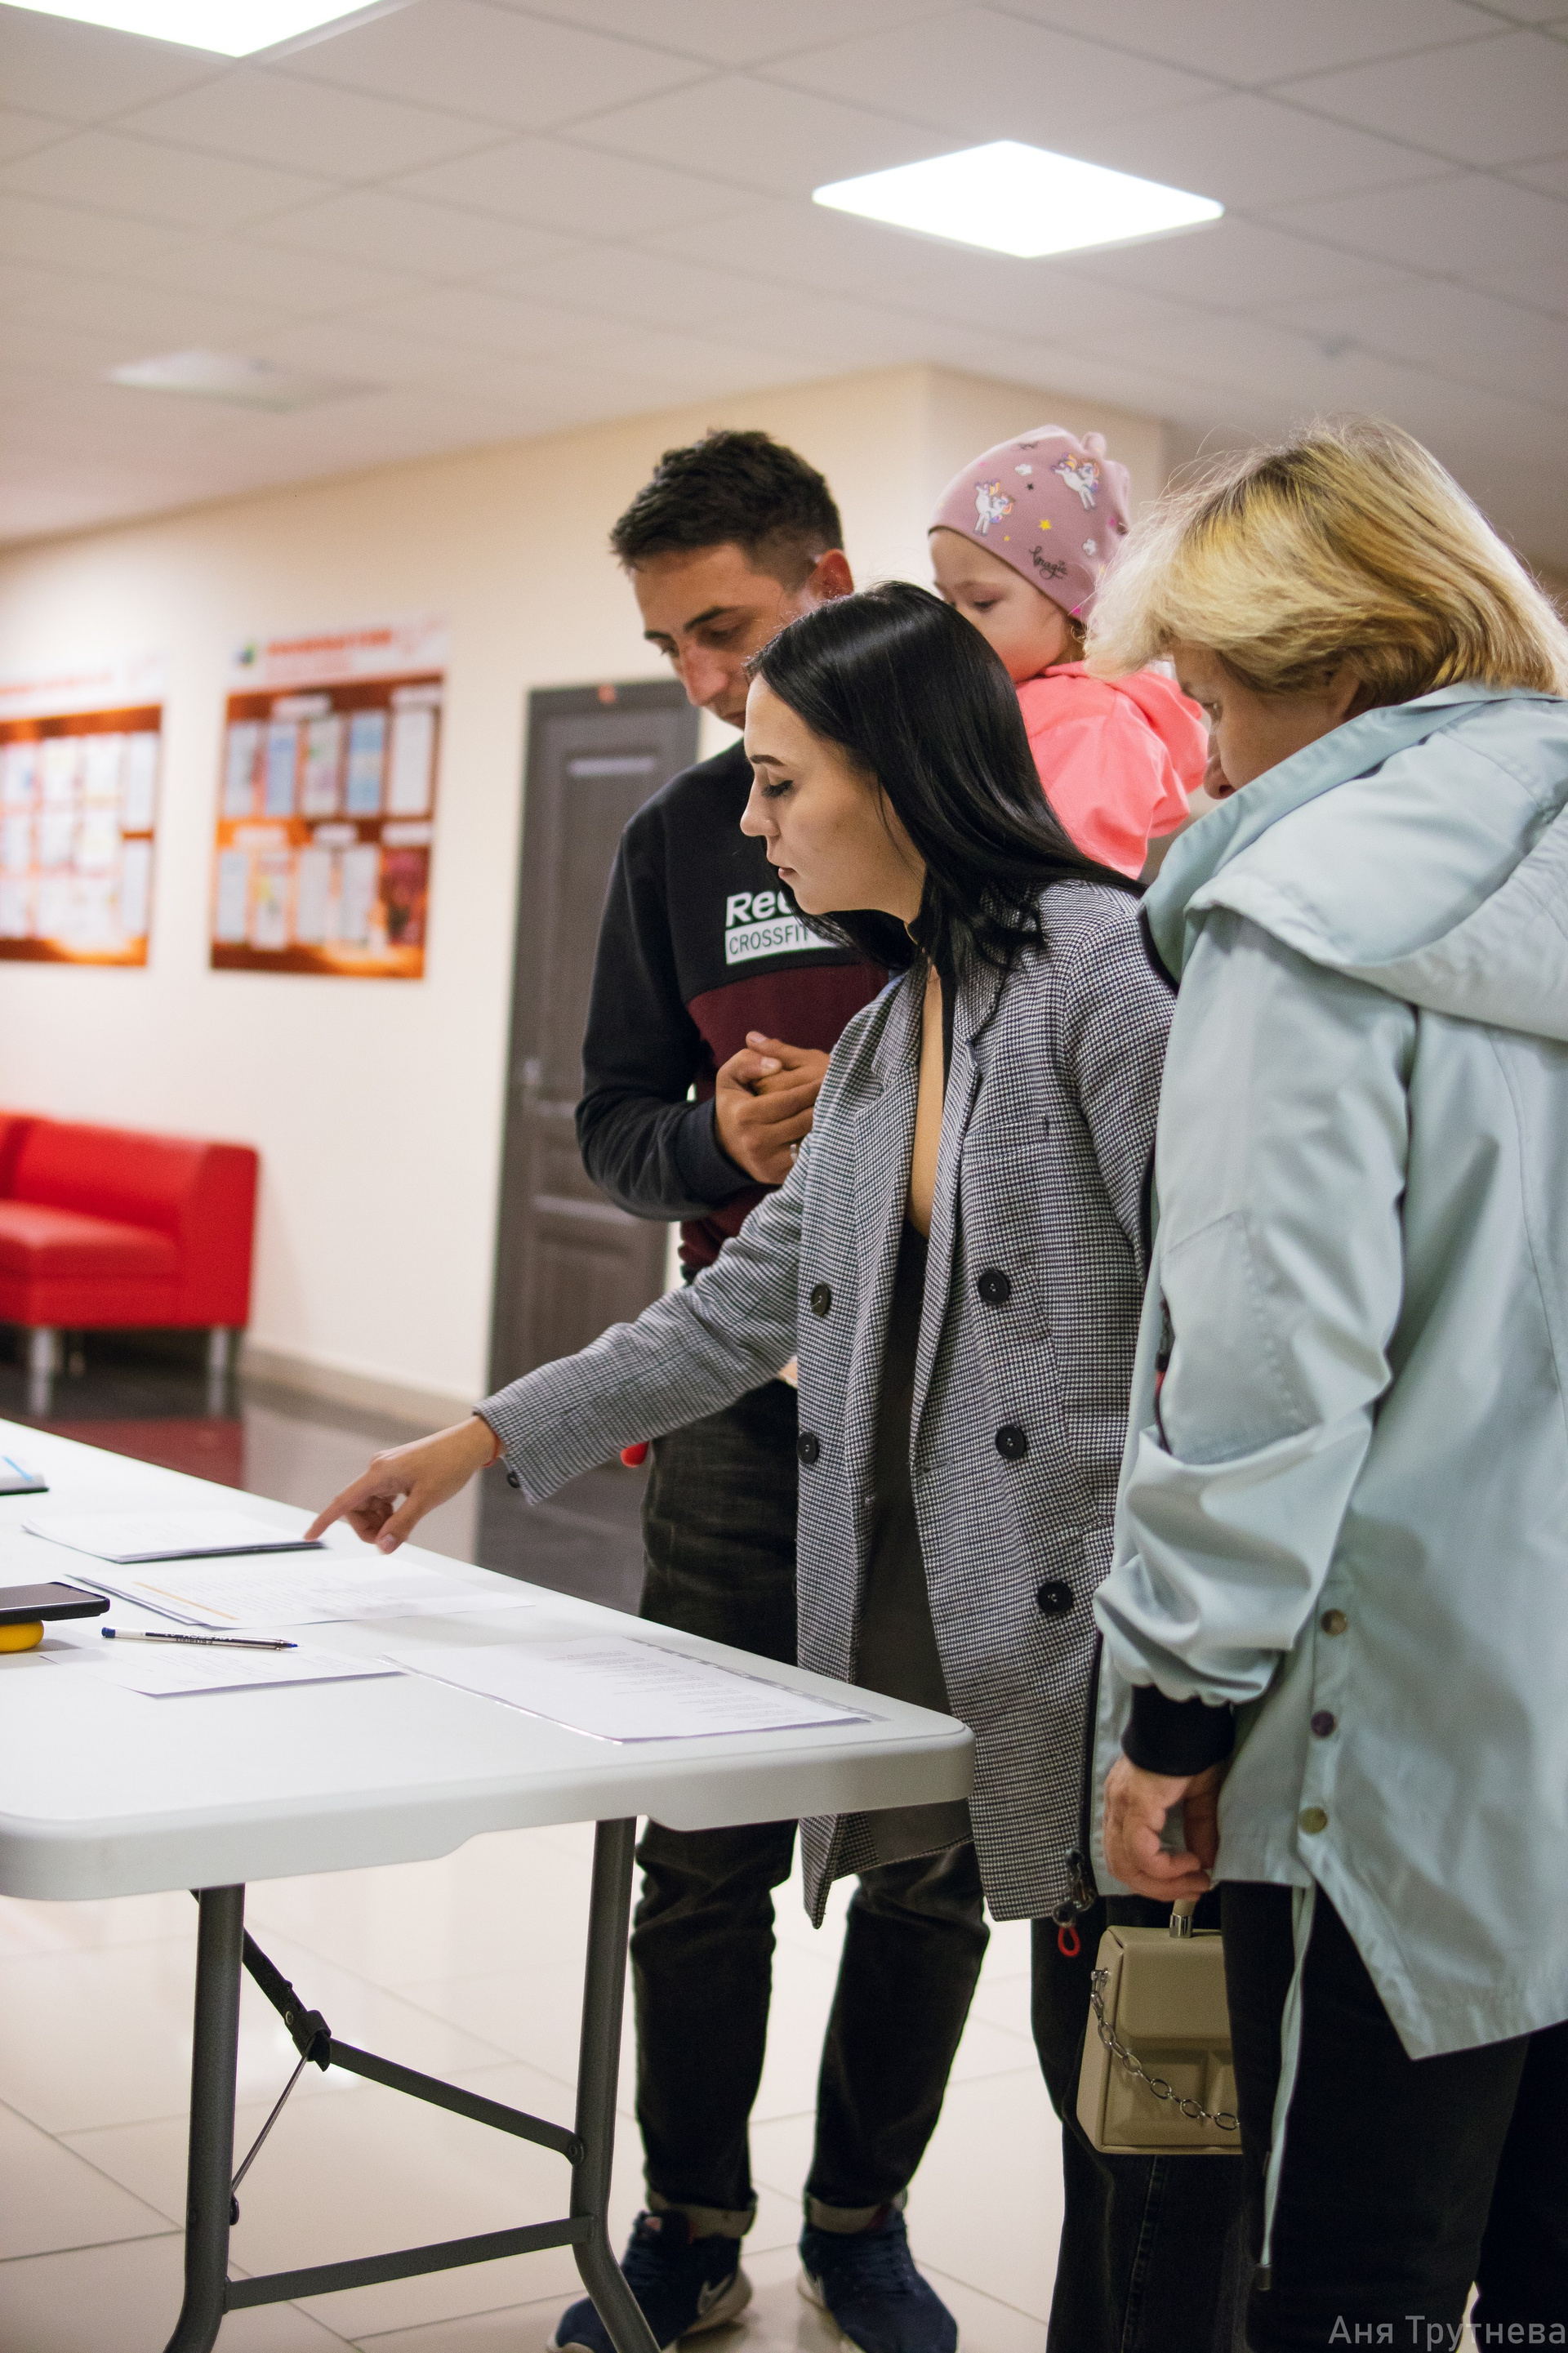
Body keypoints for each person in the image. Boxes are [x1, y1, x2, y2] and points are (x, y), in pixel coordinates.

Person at [310, 582, 1249, 2353]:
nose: (752, 823)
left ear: (893, 772)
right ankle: (716, 2224)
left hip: (1138, 1662)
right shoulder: (902, 1023)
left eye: (780, 780)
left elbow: (1224, 1333)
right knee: (1113, 2114)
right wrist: (477, 1440)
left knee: (1152, 2140)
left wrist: (1191, 1688)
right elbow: (746, 1307)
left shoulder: (1106, 971)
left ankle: (877, 2226)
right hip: (1002, 1622)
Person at [1085, 417, 1568, 2349]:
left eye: (1211, 702)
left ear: (1345, 672)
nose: (1204, 763)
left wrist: (1175, 1710)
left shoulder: (1300, 915)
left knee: (1352, 2287)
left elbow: (1269, 1359)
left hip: (1383, 1747)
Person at [929, 424, 1209, 878]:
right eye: (946, 601)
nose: (956, 623)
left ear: (1070, 598)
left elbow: (1072, 888)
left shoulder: (1096, 723)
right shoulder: (1000, 696)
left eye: (982, 602)